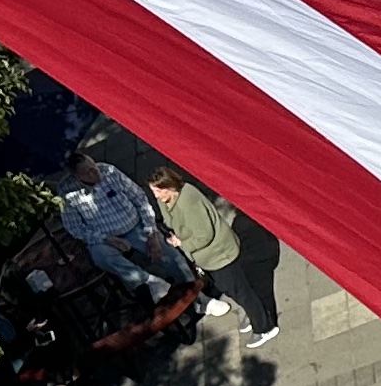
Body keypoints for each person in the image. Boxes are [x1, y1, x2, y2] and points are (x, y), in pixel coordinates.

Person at [150, 169, 277, 344]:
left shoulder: (189, 202)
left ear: (170, 188)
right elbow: (170, 221)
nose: (155, 196)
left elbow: (204, 235)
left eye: (157, 191)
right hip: (211, 258)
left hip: (220, 255)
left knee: (240, 291)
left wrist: (182, 243)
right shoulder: (170, 198)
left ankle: (265, 327)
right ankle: (258, 315)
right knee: (237, 289)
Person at [53, 145, 184, 300]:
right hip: (104, 236)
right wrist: (105, 238)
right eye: (88, 172)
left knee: (168, 254)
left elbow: (140, 199)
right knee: (101, 256)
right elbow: (75, 228)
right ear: (76, 177)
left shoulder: (109, 171)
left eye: (93, 166)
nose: (95, 172)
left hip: (134, 225)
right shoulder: (67, 192)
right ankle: (149, 281)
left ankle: (196, 291)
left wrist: (151, 231)